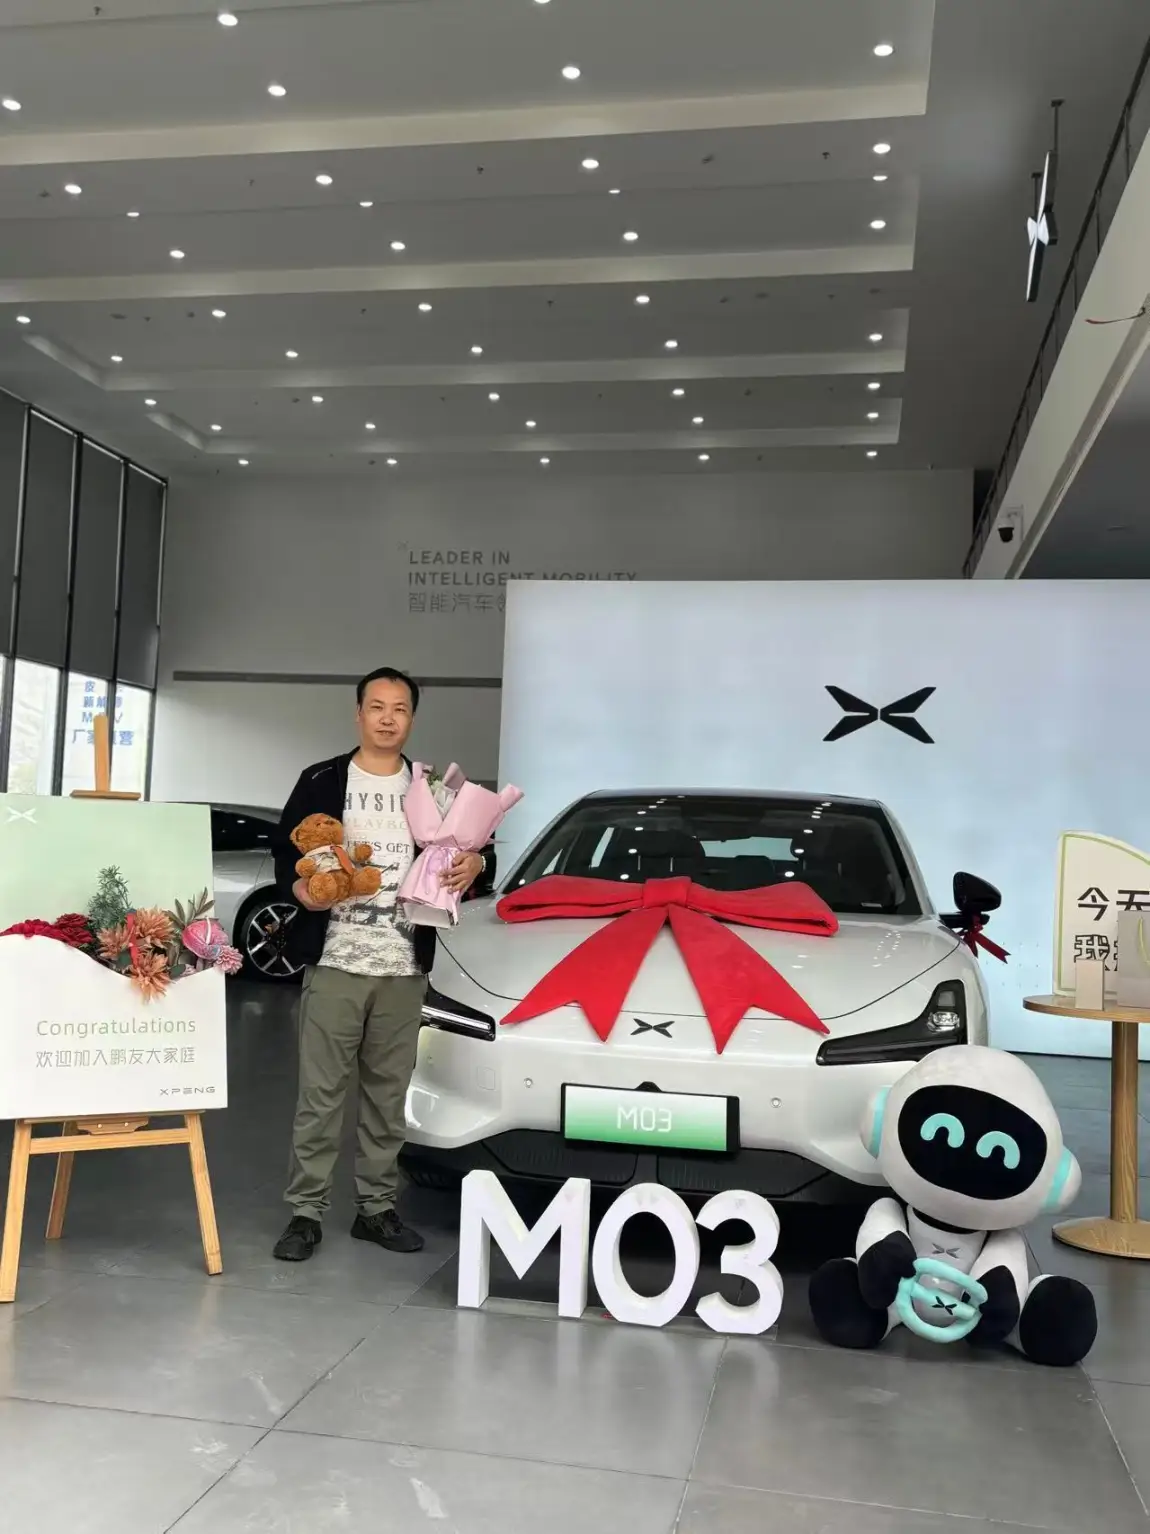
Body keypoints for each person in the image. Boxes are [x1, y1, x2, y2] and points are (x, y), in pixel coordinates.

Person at [270, 666, 485, 1262]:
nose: (388, 718)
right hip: (336, 962)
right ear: (359, 713)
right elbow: (286, 855)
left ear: (411, 719)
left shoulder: (430, 788)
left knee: (388, 1098)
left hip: (403, 967)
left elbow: (466, 854)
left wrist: (476, 865)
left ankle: (376, 1209)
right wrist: (302, 890)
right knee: (320, 1095)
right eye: (377, 707)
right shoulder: (321, 780)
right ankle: (305, 1212)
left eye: (400, 709)